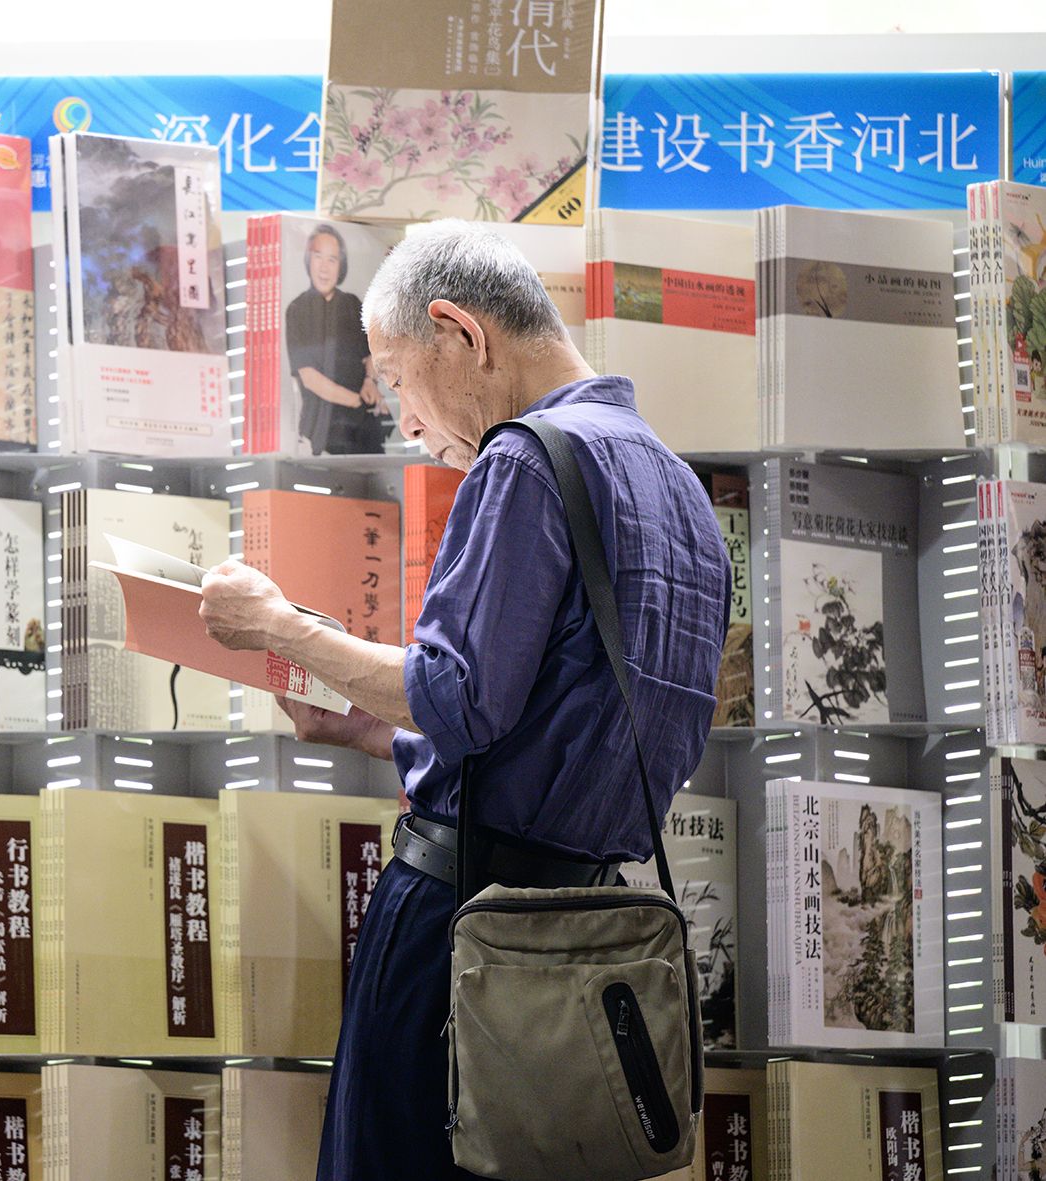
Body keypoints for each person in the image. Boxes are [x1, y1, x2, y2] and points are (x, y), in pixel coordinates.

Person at [198, 219, 729, 1181]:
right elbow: (570, 724)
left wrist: (280, 626)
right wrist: (370, 726)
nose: (406, 420)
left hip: (462, 925)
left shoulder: (525, 456)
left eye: (399, 379)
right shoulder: (683, 490)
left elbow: (458, 694)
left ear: (461, 333)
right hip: (595, 930)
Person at [286, 223, 390, 455]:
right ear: (308, 260)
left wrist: (370, 381)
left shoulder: (352, 304)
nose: (324, 267)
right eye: (318, 257)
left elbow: (371, 354)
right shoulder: (297, 309)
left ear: (341, 265)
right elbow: (309, 378)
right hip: (323, 429)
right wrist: (357, 402)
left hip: (363, 418)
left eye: (332, 259)